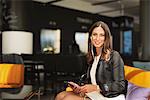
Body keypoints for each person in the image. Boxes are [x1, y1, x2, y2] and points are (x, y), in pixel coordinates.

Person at [55, 21, 126, 100]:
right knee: (60, 95)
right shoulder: (92, 56)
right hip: (96, 94)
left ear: (106, 38)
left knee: (67, 99)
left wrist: (97, 88)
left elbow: (120, 85)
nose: (97, 38)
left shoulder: (114, 56)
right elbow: (92, 81)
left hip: (110, 97)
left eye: (101, 35)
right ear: (91, 37)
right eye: (95, 34)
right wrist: (80, 88)